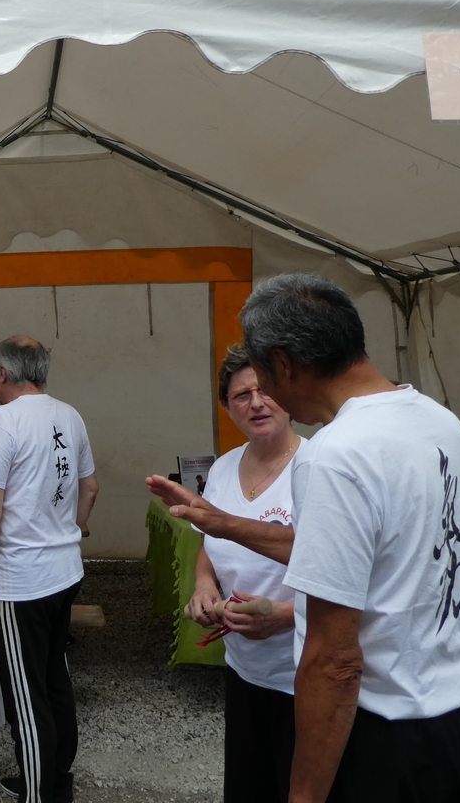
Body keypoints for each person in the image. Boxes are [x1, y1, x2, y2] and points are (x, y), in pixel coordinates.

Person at [241, 272, 460, 803]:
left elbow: (335, 660)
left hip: (384, 734)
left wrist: (304, 795)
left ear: (283, 363)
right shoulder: (441, 421)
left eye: (262, 376)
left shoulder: (335, 455)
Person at [146, 343, 304, 803]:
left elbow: (347, 568)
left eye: (265, 390)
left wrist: (287, 615)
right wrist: (204, 585)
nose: (256, 403)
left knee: (297, 788)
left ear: (286, 392)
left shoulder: (316, 466)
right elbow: (209, 542)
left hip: (302, 669)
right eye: (241, 395)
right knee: (248, 786)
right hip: (244, 666)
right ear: (227, 406)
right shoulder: (223, 467)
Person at [0, 336, 100, 803]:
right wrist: (69, 530)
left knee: (26, 695)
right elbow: (90, 487)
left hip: (23, 579)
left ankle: (41, 793)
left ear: (2, 373)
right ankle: (57, 778)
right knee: (53, 676)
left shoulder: (2, 420)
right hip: (65, 570)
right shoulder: (69, 414)